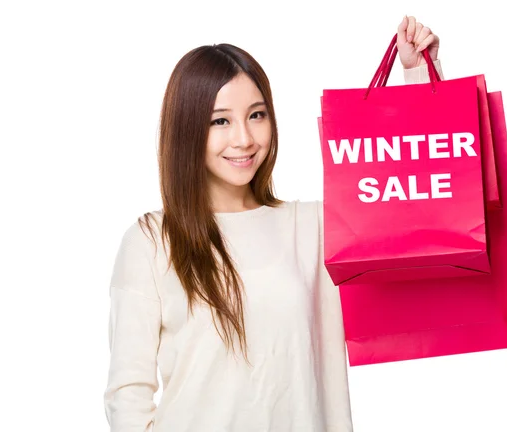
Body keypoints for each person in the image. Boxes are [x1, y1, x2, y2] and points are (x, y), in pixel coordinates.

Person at [104, 15, 443, 432]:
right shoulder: (152, 241)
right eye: (220, 120)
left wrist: (418, 75)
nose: (244, 138)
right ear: (187, 130)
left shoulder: (313, 227)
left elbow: (421, 212)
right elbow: (128, 396)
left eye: (257, 115)